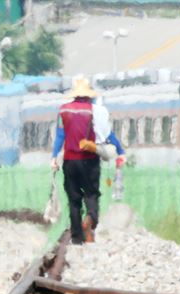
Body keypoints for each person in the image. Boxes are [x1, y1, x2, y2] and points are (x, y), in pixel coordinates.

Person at [51, 78, 126, 244]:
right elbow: (108, 135)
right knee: (91, 194)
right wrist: (120, 151)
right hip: (89, 160)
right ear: (88, 96)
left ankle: (77, 238)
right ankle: (90, 219)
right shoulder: (95, 111)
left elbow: (60, 136)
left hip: (70, 161)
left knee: (74, 199)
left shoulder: (64, 110)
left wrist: (53, 157)